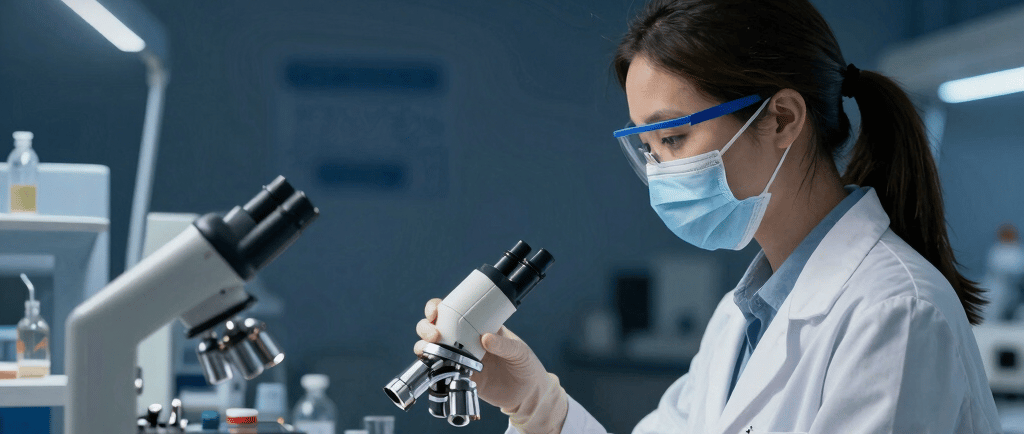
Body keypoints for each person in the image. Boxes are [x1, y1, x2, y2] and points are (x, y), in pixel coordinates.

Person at [415, 0, 1002, 432]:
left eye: (673, 136)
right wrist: (535, 402)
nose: (660, 171)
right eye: (648, 149)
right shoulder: (744, 316)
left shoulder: (894, 314)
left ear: (782, 119)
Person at [981, 224, 1024, 322]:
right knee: (993, 313)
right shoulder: (997, 250)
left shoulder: (1017, 251)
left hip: (1015, 291)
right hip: (999, 290)